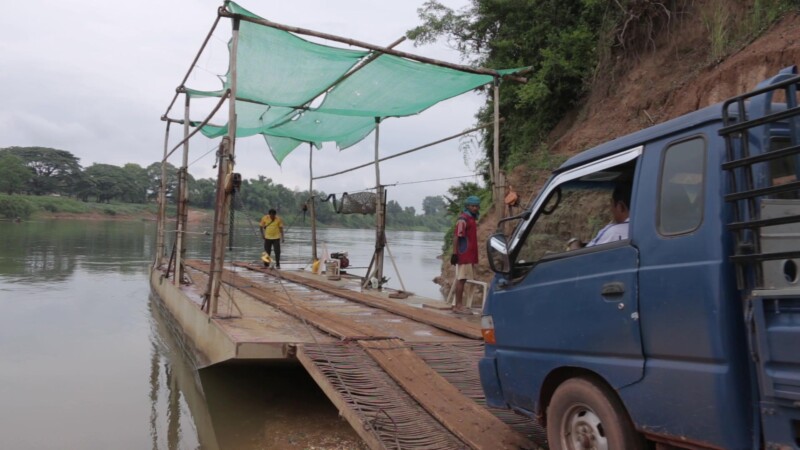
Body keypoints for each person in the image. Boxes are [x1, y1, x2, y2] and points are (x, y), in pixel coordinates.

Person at [450, 195, 480, 315]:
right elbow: (457, 236)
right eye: (472, 206)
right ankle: (458, 306)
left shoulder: (471, 218)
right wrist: (454, 253)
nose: (475, 208)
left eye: (477, 206)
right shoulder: (463, 219)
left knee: (463, 279)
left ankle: (458, 305)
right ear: (467, 206)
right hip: (464, 254)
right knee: (461, 279)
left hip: (469, 255)